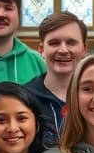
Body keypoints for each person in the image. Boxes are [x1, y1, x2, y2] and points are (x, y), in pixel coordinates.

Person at [24, 12, 88, 143]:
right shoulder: (24, 98)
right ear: (41, 49)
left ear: (84, 49)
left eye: (71, 43)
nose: (63, 50)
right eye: (54, 43)